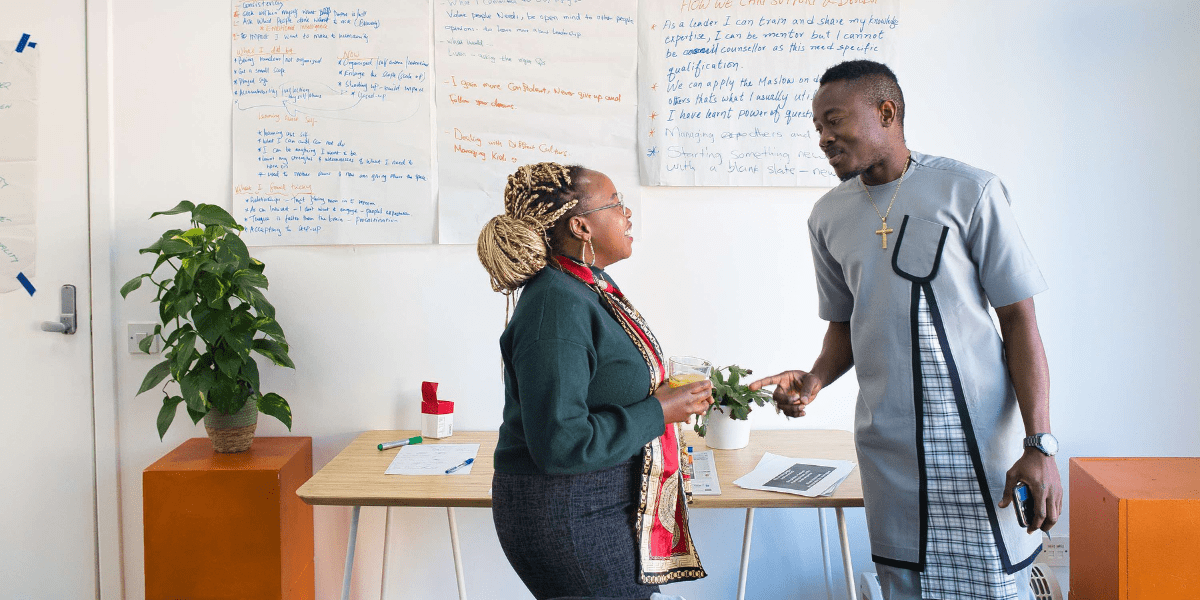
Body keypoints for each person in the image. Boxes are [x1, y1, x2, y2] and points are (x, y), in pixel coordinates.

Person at [750, 60, 1062, 599]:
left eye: (834, 121)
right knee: (905, 583)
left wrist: (1040, 443)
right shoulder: (827, 217)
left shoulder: (970, 190)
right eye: (817, 127)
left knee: (995, 584)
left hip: (980, 445)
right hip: (889, 452)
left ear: (886, 112)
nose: (824, 138)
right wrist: (815, 380)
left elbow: (1019, 320)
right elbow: (846, 324)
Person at [477, 163, 711, 600]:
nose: (627, 214)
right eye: (616, 203)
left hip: (595, 500)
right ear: (580, 226)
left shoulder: (585, 285)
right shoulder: (556, 304)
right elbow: (561, 442)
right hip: (569, 512)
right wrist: (659, 411)